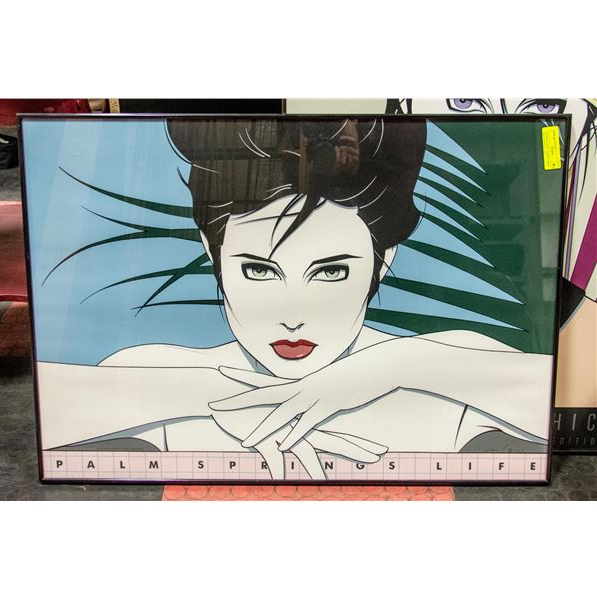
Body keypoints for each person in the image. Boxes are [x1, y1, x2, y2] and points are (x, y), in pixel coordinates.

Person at [38, 117, 552, 479]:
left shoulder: (444, 377)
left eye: (331, 271)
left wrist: (391, 368)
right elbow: (58, 409)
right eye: (259, 270)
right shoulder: (158, 373)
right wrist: (228, 399)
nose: (293, 316)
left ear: (383, 260)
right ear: (213, 251)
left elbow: (541, 399)